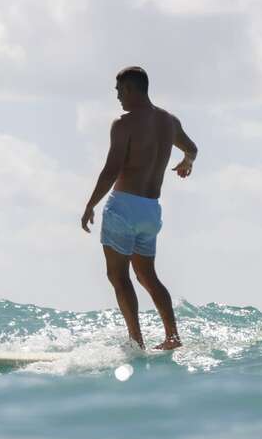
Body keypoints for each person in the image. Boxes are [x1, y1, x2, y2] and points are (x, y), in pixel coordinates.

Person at [81, 66, 198, 350]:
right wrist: (187, 162)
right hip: (150, 210)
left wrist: (90, 204)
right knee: (147, 276)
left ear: (131, 89)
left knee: (118, 276)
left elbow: (112, 169)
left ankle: (136, 342)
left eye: (120, 91)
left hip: (123, 207)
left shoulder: (124, 123)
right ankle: (172, 337)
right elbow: (192, 148)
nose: (118, 97)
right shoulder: (169, 122)